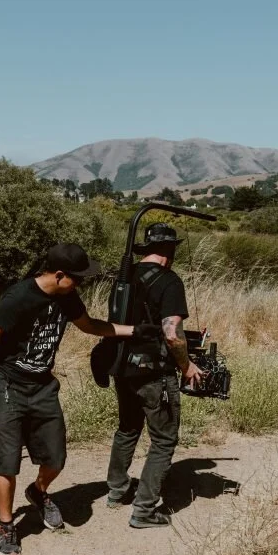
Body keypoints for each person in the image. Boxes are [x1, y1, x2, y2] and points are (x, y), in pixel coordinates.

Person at [0, 242, 159, 555]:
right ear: (60, 275)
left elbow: (89, 326)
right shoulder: (20, 296)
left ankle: (38, 491)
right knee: (7, 463)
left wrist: (134, 331)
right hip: (8, 385)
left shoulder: (67, 296)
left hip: (43, 385)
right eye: (78, 277)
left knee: (56, 458)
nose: (82, 284)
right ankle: (7, 525)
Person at [105, 222, 204, 529]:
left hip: (123, 367)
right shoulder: (169, 280)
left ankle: (116, 491)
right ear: (168, 250)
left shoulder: (125, 278)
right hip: (154, 372)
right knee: (163, 439)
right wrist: (187, 365)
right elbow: (172, 334)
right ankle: (144, 510)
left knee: (127, 429)